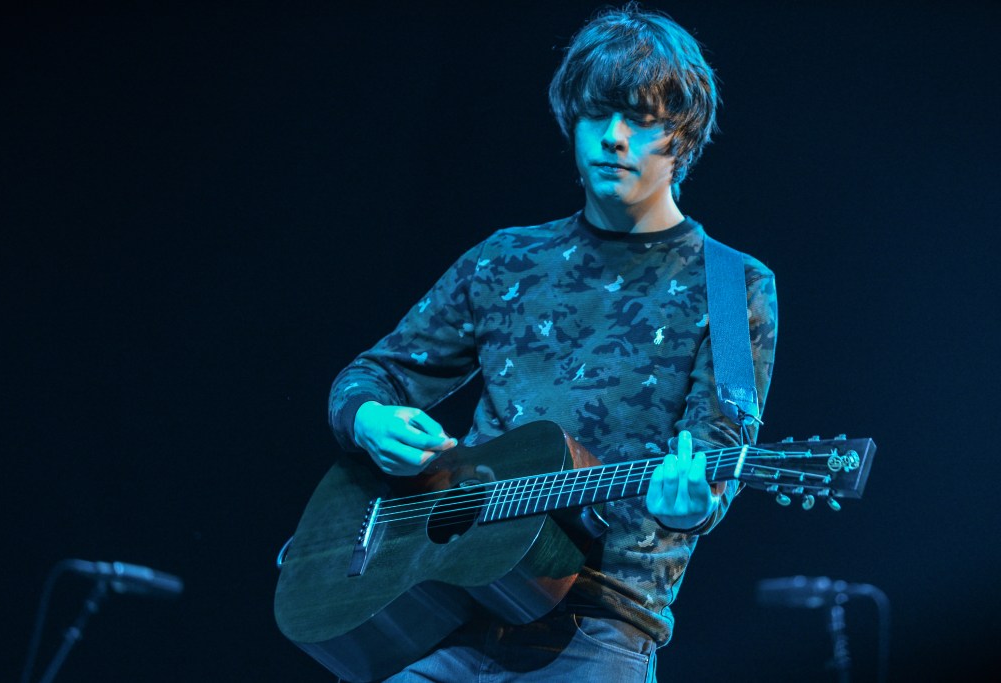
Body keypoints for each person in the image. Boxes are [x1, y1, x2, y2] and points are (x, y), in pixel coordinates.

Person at [327, 4, 777, 681]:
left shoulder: (732, 283)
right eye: (598, 115)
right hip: (449, 611)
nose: (614, 138)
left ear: (681, 139)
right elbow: (374, 374)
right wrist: (368, 419)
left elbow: (717, 448)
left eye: (641, 119)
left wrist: (696, 503)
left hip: (599, 627)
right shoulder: (505, 258)